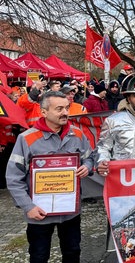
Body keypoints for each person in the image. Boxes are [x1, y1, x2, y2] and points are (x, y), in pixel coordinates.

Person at [6, 91, 95, 263]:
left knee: (72, 252)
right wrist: (28, 206)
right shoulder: (26, 139)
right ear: (44, 112)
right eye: (59, 109)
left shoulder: (77, 134)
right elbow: (13, 178)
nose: (65, 113)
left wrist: (87, 167)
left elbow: (90, 157)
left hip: (70, 213)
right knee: (39, 256)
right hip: (39, 213)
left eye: (67, 108)